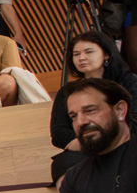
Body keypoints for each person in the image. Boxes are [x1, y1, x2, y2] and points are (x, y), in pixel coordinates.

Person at [50, 33, 137, 181]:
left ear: (106, 54)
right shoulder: (67, 91)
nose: (81, 58)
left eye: (89, 52)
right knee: (64, 164)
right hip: (86, 149)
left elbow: (134, 120)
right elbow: (58, 133)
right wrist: (86, 141)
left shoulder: (129, 82)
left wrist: (101, 138)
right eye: (76, 54)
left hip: (127, 143)